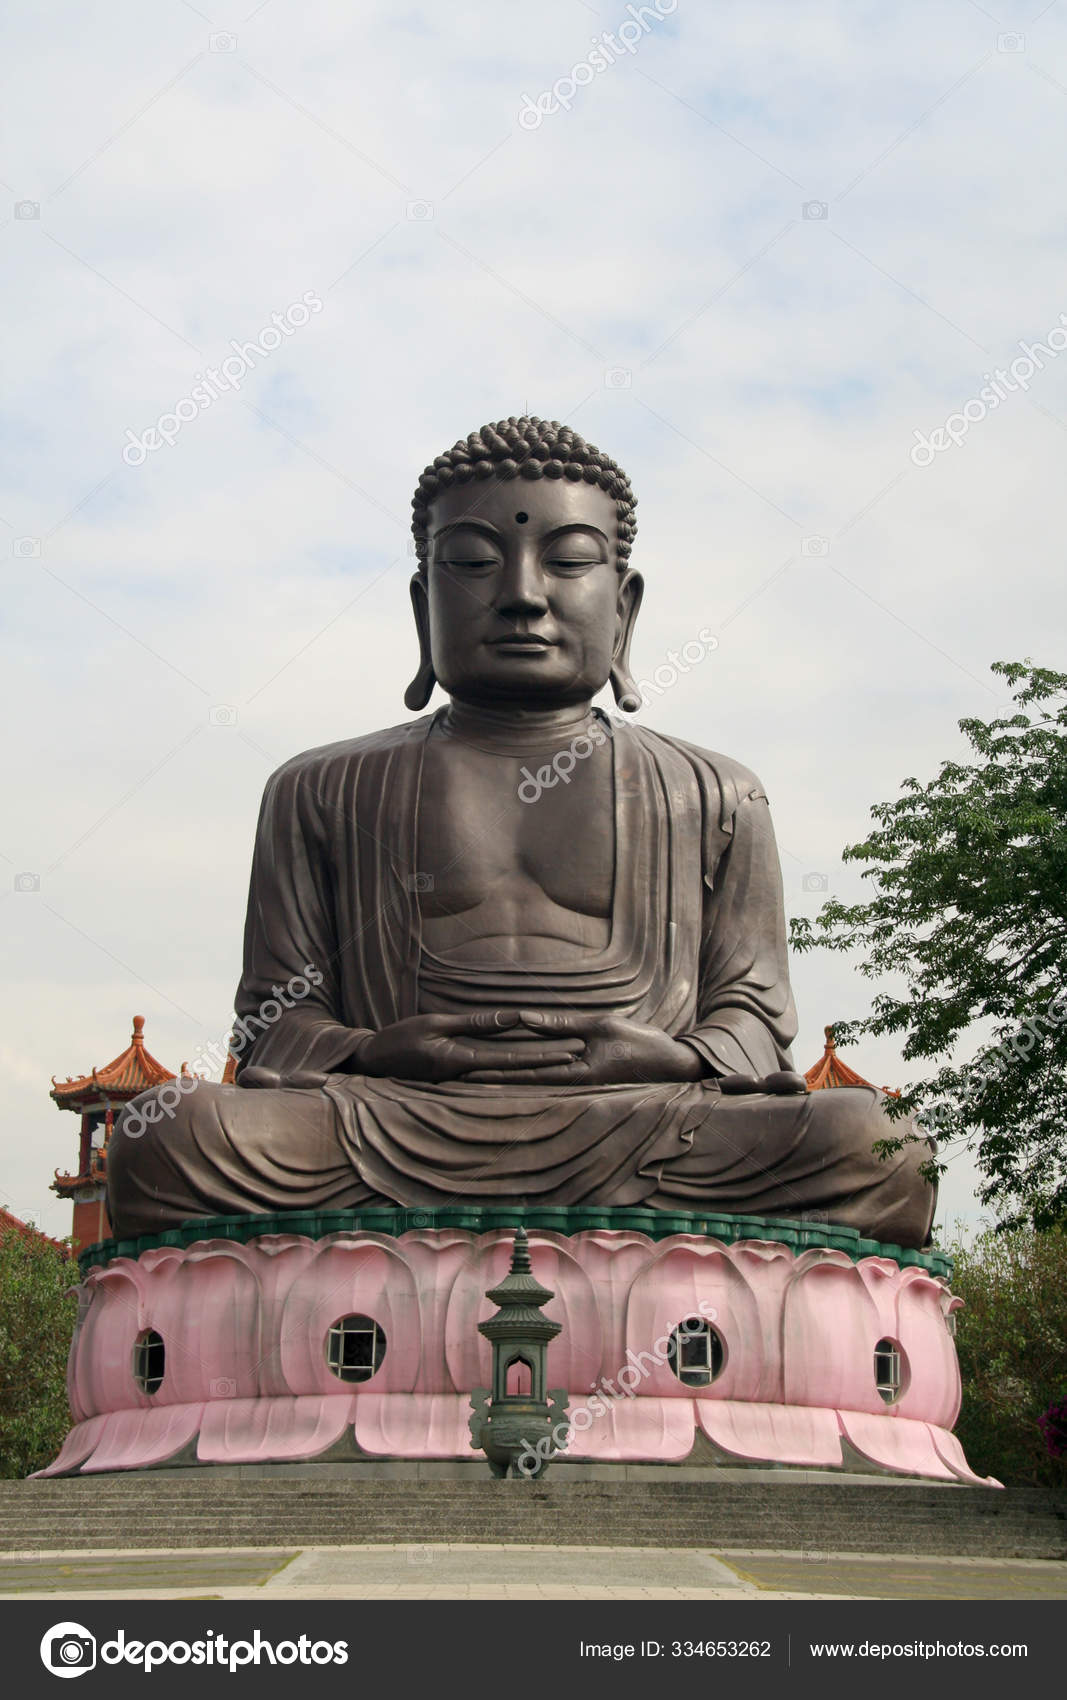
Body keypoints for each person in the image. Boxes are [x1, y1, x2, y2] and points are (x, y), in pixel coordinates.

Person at [108, 417, 934, 1248]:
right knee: (163, 1134)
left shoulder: (712, 791)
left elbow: (753, 1017)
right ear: (423, 603)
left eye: (569, 562)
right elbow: (273, 1022)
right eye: (470, 563)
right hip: (386, 1122)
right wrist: (378, 1051)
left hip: (650, 1123)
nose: (521, 594)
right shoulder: (321, 787)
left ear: (625, 607)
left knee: (874, 1146)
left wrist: (668, 1058)